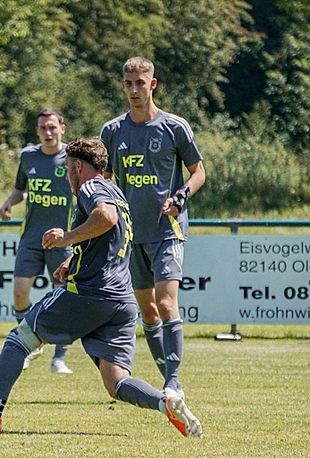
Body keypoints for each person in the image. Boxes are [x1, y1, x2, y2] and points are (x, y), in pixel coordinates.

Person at [0, 137, 201, 437]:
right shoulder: (117, 192)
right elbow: (110, 237)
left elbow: (105, 218)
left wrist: (66, 239)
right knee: (116, 382)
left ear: (78, 166)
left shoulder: (90, 187)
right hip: (121, 300)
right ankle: (165, 401)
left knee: (20, 338)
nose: (68, 176)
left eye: (68, 168)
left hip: (90, 294)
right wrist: (73, 258)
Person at [99, 56, 206, 409]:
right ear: (123, 85)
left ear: (152, 84)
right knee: (147, 312)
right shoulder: (112, 131)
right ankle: (169, 383)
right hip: (131, 236)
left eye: (140, 83)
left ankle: (173, 381)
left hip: (167, 230)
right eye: (128, 84)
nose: (134, 90)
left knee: (165, 302)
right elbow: (105, 182)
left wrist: (182, 195)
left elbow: (199, 172)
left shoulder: (174, 127)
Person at [0, 108, 75, 374]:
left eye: (52, 127)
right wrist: (9, 202)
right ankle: (31, 344)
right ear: (37, 131)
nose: (48, 132)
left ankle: (59, 357)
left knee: (63, 298)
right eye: (43, 128)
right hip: (31, 238)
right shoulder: (28, 156)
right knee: (20, 294)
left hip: (62, 240)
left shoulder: (72, 158)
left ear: (62, 128)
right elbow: (21, 189)